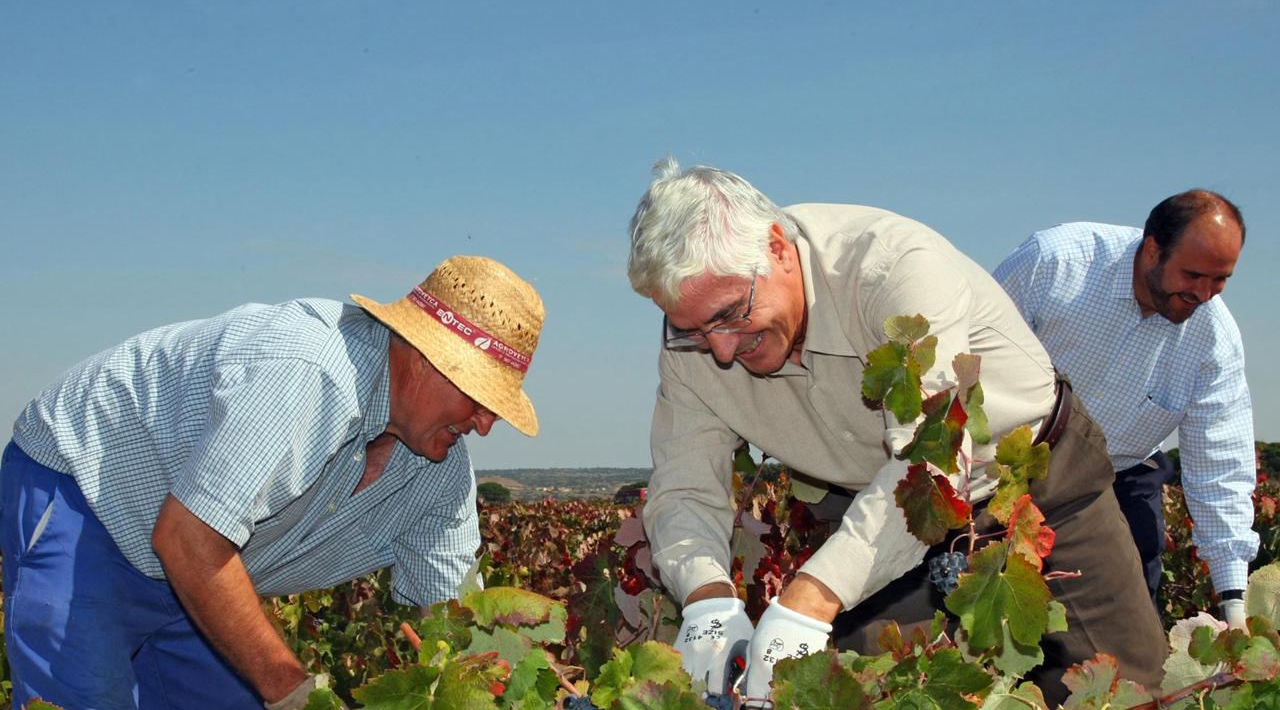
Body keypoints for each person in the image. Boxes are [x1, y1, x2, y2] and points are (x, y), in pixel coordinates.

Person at [624, 158, 1166, 705]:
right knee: (872, 693)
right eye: (691, 329)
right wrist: (707, 600)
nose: (717, 349)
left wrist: (812, 596)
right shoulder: (690, 341)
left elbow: (931, 466)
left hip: (1034, 490)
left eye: (729, 315)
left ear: (778, 248)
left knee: (1126, 691)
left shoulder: (895, 268)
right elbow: (685, 483)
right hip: (869, 516)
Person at [1, 256, 544, 710]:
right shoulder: (307, 372)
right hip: (90, 502)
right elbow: (188, 540)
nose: (485, 423)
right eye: (480, 398)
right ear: (426, 360)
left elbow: (450, 621)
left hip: (205, 570)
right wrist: (291, 691)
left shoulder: (440, 473)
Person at [993, 191, 1256, 628]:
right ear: (1151, 249)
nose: (1204, 294)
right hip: (1010, 463)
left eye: (1220, 280)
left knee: (1130, 633)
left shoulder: (1214, 341)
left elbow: (1219, 466)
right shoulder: (1055, 264)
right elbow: (971, 355)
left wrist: (1234, 602)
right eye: (1193, 275)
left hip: (1120, 476)